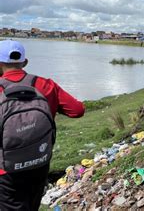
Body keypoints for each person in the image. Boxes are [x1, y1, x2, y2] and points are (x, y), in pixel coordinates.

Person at [0, 40, 85, 210]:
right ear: (25, 62)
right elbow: (77, 110)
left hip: (5, 172)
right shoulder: (46, 85)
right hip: (39, 163)